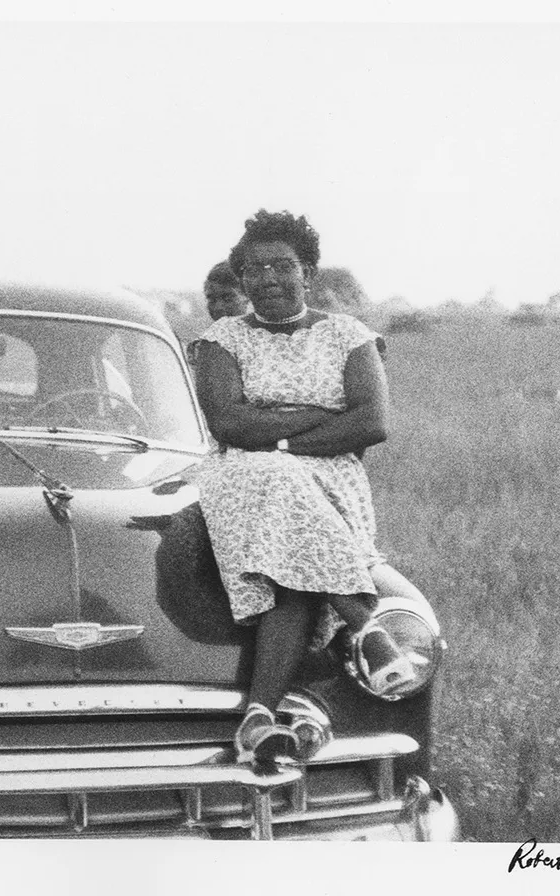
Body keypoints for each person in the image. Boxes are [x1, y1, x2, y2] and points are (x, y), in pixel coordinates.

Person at [192, 210, 424, 769]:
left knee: (291, 574)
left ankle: (258, 714)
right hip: (242, 479)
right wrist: (320, 416)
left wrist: (280, 437)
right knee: (273, 480)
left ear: (309, 273)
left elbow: (371, 422)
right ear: (241, 279)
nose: (267, 278)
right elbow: (229, 425)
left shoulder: (350, 337)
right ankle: (364, 622)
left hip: (330, 483)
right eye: (253, 269)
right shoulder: (221, 340)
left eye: (282, 266)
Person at [186, 261, 250, 365]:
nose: (218, 307)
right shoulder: (203, 348)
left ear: (248, 297)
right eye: (212, 300)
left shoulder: (268, 343)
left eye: (228, 298)